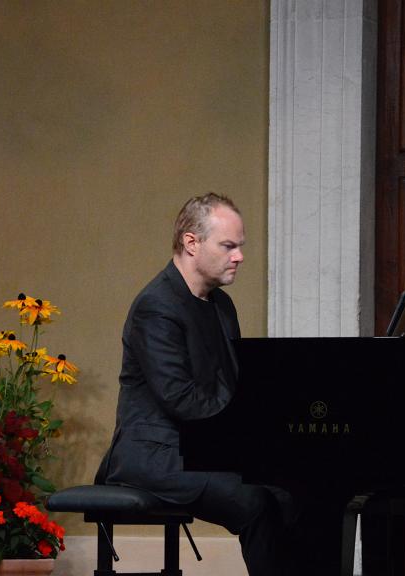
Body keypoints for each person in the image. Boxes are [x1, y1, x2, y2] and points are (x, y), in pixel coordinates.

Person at [97, 193, 292, 576]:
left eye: (240, 247)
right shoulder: (157, 306)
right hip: (153, 455)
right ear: (191, 243)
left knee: (296, 490)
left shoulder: (220, 305)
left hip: (199, 445)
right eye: (228, 246)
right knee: (255, 501)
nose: (239, 256)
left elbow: (236, 383)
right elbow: (181, 399)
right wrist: (251, 432)